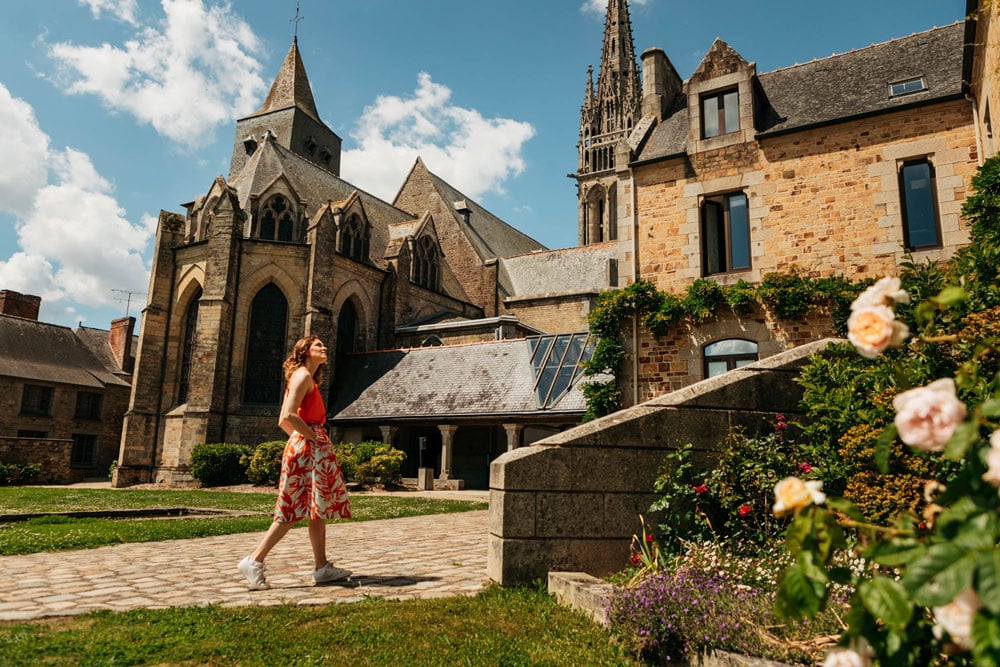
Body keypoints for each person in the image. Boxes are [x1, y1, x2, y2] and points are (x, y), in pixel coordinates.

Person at [237, 335, 352, 590]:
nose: (324, 348)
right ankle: (254, 560)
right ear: (305, 351)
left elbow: (282, 421)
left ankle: (322, 567)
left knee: (316, 508)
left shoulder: (307, 378)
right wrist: (311, 439)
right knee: (292, 509)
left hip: (307, 446)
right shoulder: (301, 376)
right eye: (318, 345)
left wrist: (301, 441)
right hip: (310, 446)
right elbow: (288, 414)